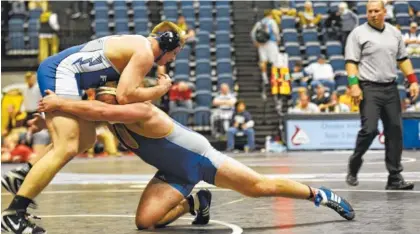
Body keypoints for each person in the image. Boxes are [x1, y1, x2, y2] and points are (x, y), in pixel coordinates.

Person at [25, 86, 355, 232]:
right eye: (105, 99)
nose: (109, 105)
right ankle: (195, 204)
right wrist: (44, 118)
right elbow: (88, 116)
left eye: (112, 99)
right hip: (172, 172)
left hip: (202, 160)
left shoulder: (141, 111)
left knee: (258, 187)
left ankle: (320, 195)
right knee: (145, 223)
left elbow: (95, 110)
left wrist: (59, 102)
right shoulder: (110, 118)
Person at [1, 21, 186, 234]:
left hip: (66, 76)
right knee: (67, 146)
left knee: (86, 139)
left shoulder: (138, 45)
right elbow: (125, 96)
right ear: (166, 45)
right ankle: (13, 214)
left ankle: (25, 174)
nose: (172, 59)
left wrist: (48, 118)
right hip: (61, 73)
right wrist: (160, 89)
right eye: (174, 53)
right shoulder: (144, 52)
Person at [344, 0, 419, 189]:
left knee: (395, 130)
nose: (372, 14)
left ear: (384, 12)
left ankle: (394, 177)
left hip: (390, 87)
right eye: (369, 11)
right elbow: (351, 62)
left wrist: (413, 81)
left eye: (376, 11)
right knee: (369, 130)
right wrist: (354, 85)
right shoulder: (358, 34)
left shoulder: (394, 33)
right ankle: (355, 162)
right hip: (368, 87)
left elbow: (402, 59)